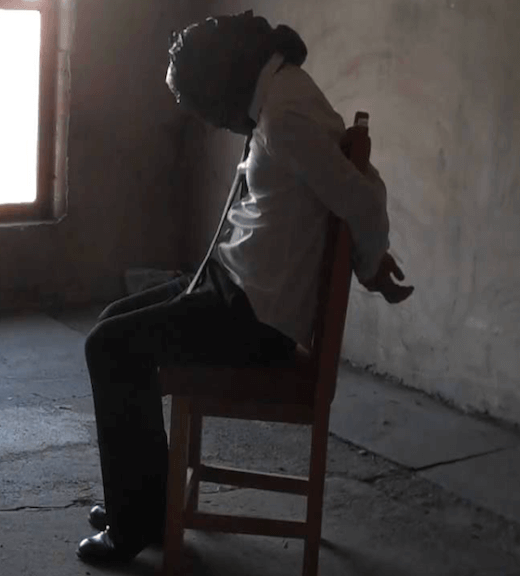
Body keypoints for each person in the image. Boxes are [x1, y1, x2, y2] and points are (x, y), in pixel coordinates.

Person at [76, 12, 414, 564]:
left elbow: (362, 199)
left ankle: (134, 525)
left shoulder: (284, 115)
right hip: (234, 289)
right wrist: (370, 259)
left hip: (253, 318)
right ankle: (147, 504)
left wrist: (371, 265)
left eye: (207, 107)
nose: (214, 120)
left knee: (108, 347)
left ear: (224, 80)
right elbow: (358, 186)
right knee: (112, 322)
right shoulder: (282, 94)